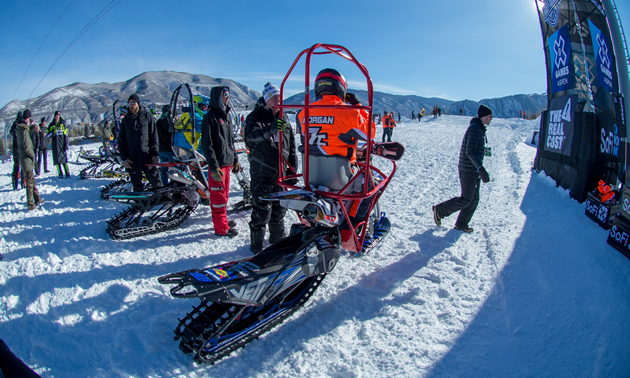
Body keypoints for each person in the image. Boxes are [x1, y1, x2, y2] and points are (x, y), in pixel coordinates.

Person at [295, 68, 375, 230]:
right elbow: (369, 133)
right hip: (341, 179)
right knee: (372, 185)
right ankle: (352, 226)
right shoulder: (348, 112)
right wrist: (357, 105)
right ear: (341, 88)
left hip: (311, 177)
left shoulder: (302, 113)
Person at [244, 82, 298, 253]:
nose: (278, 99)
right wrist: (271, 128)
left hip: (281, 172)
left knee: (279, 211)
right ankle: (257, 246)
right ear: (266, 99)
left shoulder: (284, 117)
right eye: (274, 97)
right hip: (262, 172)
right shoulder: (255, 117)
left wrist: (292, 171)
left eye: (280, 96)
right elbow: (251, 138)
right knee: (261, 212)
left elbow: (291, 146)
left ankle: (277, 240)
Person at [432, 104, 492, 233]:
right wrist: (481, 168)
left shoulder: (479, 128)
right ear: (485, 116)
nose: (491, 119)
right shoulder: (475, 129)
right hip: (468, 170)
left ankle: (461, 223)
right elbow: (470, 151)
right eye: (490, 117)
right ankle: (440, 210)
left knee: (474, 199)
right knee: (466, 199)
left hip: (473, 170)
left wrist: (479, 169)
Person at [200, 86, 239, 238]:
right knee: (218, 198)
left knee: (225, 196)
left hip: (227, 163)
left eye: (229, 94)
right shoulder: (209, 117)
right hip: (217, 166)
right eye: (225, 95)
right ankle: (221, 228)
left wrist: (235, 159)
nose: (228, 97)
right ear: (218, 97)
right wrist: (214, 166)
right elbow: (207, 145)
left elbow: (230, 141)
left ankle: (224, 220)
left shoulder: (227, 115)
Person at [118, 94, 162, 191]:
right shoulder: (126, 120)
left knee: (156, 182)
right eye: (129, 103)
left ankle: (163, 200)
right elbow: (121, 141)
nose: (131, 105)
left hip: (146, 156)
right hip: (132, 158)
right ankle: (140, 205)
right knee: (137, 184)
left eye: (133, 102)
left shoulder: (147, 116)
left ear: (138, 103)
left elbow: (153, 137)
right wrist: (124, 158)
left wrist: (155, 154)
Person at [16, 109, 42, 211]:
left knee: (32, 181)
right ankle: (30, 204)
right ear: (27, 118)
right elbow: (27, 147)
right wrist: (33, 156)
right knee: (30, 184)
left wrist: (33, 127)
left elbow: (27, 128)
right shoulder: (24, 132)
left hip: (24, 160)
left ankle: (38, 199)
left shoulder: (21, 128)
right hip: (27, 160)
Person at [47, 111, 70, 178]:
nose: (57, 117)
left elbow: (66, 135)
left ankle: (67, 173)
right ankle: (60, 174)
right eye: (56, 115)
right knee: (57, 161)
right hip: (55, 145)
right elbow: (48, 136)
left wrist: (66, 144)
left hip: (61, 144)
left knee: (64, 160)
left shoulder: (62, 124)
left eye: (58, 115)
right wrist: (52, 132)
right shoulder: (51, 125)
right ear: (54, 116)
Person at [156, 104, 175, 185]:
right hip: (170, 149)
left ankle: (165, 186)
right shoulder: (171, 122)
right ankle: (173, 186)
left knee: (164, 171)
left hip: (161, 149)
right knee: (173, 170)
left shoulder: (158, 122)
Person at [10, 111, 23, 190]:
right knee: (23, 166)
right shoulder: (23, 124)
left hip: (16, 148)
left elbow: (11, 132)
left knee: (16, 165)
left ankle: (15, 183)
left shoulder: (15, 124)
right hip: (21, 147)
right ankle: (23, 183)